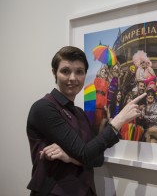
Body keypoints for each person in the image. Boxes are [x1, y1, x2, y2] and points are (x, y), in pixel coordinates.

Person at [26, 46, 146, 196]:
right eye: (65, 71)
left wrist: (70, 157)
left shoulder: (80, 114)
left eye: (79, 72)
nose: (72, 78)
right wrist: (119, 120)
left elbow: (97, 158)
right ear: (54, 73)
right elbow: (86, 154)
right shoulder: (43, 108)